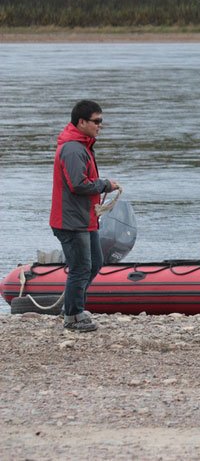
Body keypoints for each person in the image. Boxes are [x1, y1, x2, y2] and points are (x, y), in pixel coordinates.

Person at [50, 100, 119, 332]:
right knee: (80, 267)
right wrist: (105, 185)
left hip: (84, 218)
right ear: (81, 122)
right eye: (96, 121)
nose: (100, 125)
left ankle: (72, 306)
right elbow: (77, 184)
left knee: (95, 262)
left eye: (101, 121)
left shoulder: (82, 146)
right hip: (70, 221)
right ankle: (72, 315)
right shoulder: (72, 148)